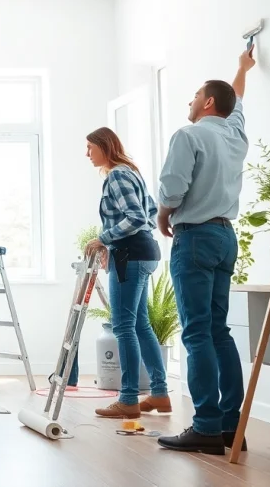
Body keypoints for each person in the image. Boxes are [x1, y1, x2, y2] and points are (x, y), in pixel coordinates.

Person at [156, 47, 256, 455]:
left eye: (195, 95)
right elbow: (238, 101)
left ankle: (205, 428)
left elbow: (172, 189)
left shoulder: (189, 135)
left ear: (208, 101)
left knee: (196, 332)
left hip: (195, 238)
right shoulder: (236, 133)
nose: (191, 101)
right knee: (218, 331)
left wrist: (163, 214)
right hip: (225, 237)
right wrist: (241, 69)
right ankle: (233, 427)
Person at [83, 128, 170, 419]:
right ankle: (159, 393)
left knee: (122, 326)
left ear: (104, 147)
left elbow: (134, 217)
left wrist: (104, 239)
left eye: (90, 148)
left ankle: (129, 398)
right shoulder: (131, 172)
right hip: (144, 253)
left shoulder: (117, 175)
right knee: (141, 325)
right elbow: (151, 211)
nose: (87, 154)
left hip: (129, 256)